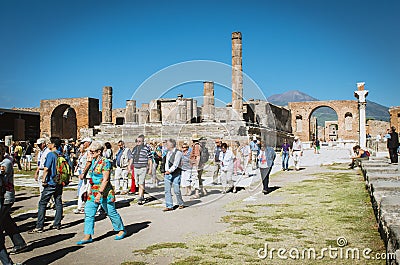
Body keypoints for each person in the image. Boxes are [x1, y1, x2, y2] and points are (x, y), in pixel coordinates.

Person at [76, 141, 126, 245]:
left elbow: (106, 179)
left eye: (92, 152)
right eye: (89, 151)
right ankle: (87, 235)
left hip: (105, 192)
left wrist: (100, 193)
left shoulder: (105, 162)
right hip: (93, 190)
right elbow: (83, 175)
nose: (90, 153)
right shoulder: (92, 161)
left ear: (99, 152)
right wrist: (88, 163)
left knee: (110, 212)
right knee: (89, 212)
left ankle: (121, 229)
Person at [29, 138, 64, 233]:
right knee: (58, 202)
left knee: (42, 203)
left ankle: (39, 226)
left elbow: (46, 169)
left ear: (53, 144)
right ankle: (57, 224)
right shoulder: (62, 154)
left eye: (49, 143)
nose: (48, 144)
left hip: (51, 181)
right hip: (60, 182)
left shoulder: (50, 154)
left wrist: (44, 179)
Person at [0, 144, 27, 260]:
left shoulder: (5, 163)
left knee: (3, 221)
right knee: (6, 221)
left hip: (6, 197)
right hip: (4, 196)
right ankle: (19, 242)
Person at [163, 139, 184, 212]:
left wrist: (169, 171)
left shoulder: (178, 153)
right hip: (167, 173)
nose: (166, 146)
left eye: (167, 144)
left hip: (175, 173)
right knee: (167, 190)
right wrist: (165, 170)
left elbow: (176, 164)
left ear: (171, 145)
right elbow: (166, 163)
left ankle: (180, 203)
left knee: (176, 190)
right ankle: (169, 205)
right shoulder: (167, 152)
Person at [131, 135, 152, 204]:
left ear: (143, 142)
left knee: (141, 182)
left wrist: (150, 169)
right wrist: (129, 166)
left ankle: (140, 198)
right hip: (136, 167)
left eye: (139, 141)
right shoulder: (134, 149)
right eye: (137, 141)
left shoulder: (146, 149)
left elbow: (150, 159)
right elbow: (131, 158)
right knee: (138, 183)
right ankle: (142, 194)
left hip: (143, 167)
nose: (138, 142)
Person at [74, 138, 92, 214]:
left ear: (88, 142)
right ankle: (81, 207)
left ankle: (87, 207)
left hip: (88, 175)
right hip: (85, 175)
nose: (83, 144)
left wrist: (83, 172)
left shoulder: (89, 151)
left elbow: (89, 162)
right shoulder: (86, 152)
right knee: (83, 190)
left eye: (84, 142)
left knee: (88, 191)